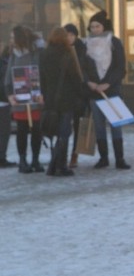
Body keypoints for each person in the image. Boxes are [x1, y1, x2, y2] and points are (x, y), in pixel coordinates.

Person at [81, 10, 131, 169]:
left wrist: (108, 83)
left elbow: (120, 67)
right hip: (94, 92)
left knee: (116, 125)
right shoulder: (85, 44)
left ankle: (119, 159)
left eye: (97, 26)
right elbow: (82, 68)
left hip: (112, 91)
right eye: (92, 27)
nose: (94, 29)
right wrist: (89, 82)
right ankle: (103, 158)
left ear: (104, 27)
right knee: (98, 126)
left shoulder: (114, 42)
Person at [40, 27, 85, 177]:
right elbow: (75, 78)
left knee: (54, 132)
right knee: (64, 132)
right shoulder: (67, 54)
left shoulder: (44, 54)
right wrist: (81, 95)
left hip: (51, 100)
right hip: (66, 99)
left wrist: (45, 96)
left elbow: (42, 79)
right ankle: (60, 165)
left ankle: (53, 165)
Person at [4, 26, 44, 173]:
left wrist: (43, 93)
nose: (11, 41)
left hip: (36, 98)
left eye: (14, 37)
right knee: (22, 130)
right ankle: (23, 160)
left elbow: (43, 74)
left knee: (36, 130)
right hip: (19, 99)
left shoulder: (37, 52)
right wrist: (10, 95)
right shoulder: (14, 54)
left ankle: (35, 159)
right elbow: (8, 77)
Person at [63, 24, 88, 168]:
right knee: (65, 125)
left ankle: (75, 155)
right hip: (66, 93)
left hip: (80, 92)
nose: (69, 38)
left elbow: (86, 68)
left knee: (78, 125)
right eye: (67, 35)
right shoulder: (60, 50)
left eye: (72, 35)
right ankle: (62, 154)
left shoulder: (82, 49)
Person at [0, 43, 13, 167]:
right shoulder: (4, 63)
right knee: (4, 131)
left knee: (4, 131)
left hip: (4, 101)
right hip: (3, 100)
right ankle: (1, 158)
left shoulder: (4, 62)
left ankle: (2, 157)